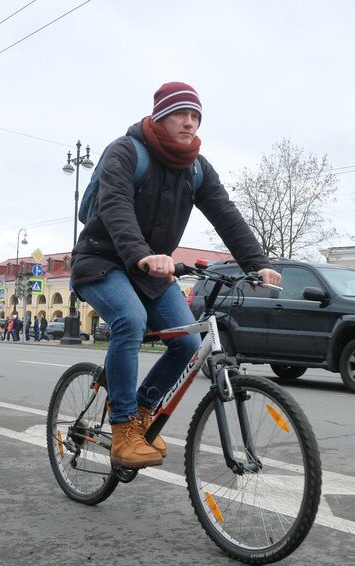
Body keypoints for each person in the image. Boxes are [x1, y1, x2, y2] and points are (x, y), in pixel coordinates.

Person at [71, 81, 280, 469]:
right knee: (129, 321)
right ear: (161, 116)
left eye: (196, 116)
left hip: (150, 271)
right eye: (181, 114)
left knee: (188, 344)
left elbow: (226, 215)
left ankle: (142, 413)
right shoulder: (125, 151)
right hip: (101, 262)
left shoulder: (196, 167)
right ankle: (121, 429)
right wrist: (143, 256)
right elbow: (115, 207)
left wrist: (258, 263)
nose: (190, 123)